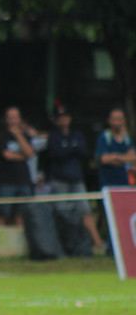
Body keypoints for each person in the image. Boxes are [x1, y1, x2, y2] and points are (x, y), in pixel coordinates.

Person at [47, 104, 104, 250]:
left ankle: (97, 243)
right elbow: (58, 153)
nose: (63, 120)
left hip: (76, 179)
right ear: (56, 120)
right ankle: (63, 245)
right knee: (61, 213)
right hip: (59, 180)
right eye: (60, 118)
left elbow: (83, 152)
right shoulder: (53, 136)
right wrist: (72, 149)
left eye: (66, 117)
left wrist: (68, 150)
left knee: (86, 211)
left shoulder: (77, 134)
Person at [0, 106, 35, 226]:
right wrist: (23, 156)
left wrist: (19, 136)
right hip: (6, 181)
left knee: (22, 215)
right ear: (6, 119)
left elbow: (30, 153)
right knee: (3, 214)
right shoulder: (0, 136)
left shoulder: (25, 136)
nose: (13, 121)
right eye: (10, 118)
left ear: (19, 119)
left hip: (23, 180)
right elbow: (7, 155)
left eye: (15, 117)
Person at [95, 107, 136, 189]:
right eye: (114, 119)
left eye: (119, 119)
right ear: (109, 120)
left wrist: (114, 156)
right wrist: (124, 158)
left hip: (124, 182)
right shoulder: (104, 137)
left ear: (124, 120)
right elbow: (104, 159)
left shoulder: (127, 139)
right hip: (107, 183)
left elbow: (133, 158)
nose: (117, 122)